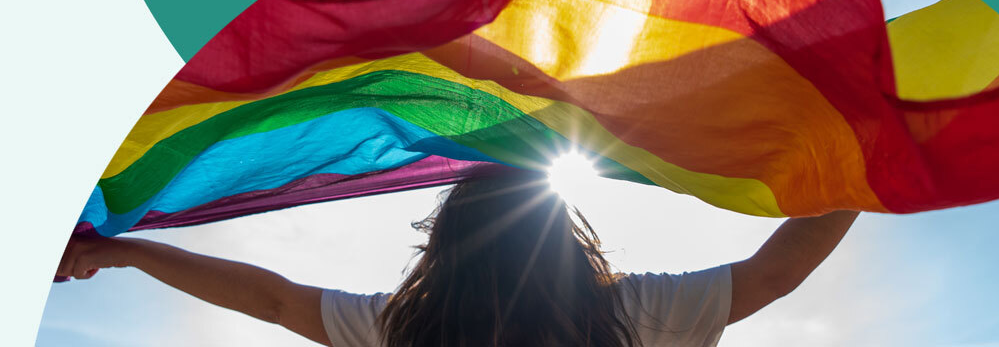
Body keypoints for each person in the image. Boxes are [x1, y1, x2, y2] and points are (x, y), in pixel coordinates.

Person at [57, 170, 859, 347]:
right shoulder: (628, 315)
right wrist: (873, 175)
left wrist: (127, 251)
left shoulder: (408, 327)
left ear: (443, 245)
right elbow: (772, 272)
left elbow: (272, 299)